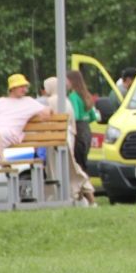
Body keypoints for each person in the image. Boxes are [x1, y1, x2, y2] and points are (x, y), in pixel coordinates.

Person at [0, 74, 52, 184]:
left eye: (25, 86)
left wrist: (49, 109)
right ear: (12, 88)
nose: (24, 89)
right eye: (21, 86)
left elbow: (46, 111)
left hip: (10, 134)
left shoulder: (29, 102)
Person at [44, 76, 97, 206]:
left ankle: (68, 197)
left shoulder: (51, 101)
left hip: (57, 138)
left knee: (64, 168)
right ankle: (81, 198)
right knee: (74, 166)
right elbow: (88, 117)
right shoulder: (68, 100)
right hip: (75, 134)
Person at [66, 70, 98, 175]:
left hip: (78, 130)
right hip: (87, 130)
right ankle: (86, 188)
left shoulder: (73, 96)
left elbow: (75, 115)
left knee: (77, 163)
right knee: (83, 162)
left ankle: (82, 189)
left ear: (71, 81)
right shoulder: (86, 95)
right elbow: (93, 116)